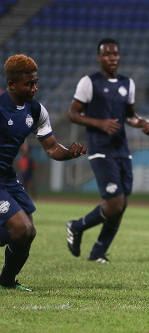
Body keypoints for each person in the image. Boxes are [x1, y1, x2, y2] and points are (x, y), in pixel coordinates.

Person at [0, 54, 86, 291]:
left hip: (7, 178)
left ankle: (7, 281)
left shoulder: (36, 111)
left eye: (36, 82)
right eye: (29, 84)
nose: (34, 87)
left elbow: (51, 147)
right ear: (12, 84)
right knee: (20, 228)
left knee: (28, 233)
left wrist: (69, 153)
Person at [65, 38, 149, 263]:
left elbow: (130, 116)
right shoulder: (89, 82)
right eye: (107, 54)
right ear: (99, 57)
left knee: (121, 205)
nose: (112, 58)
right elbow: (73, 114)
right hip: (100, 149)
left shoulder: (128, 83)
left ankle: (97, 253)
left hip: (121, 149)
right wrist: (100, 123)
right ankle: (76, 226)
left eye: (115, 54)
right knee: (114, 202)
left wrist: (142, 122)